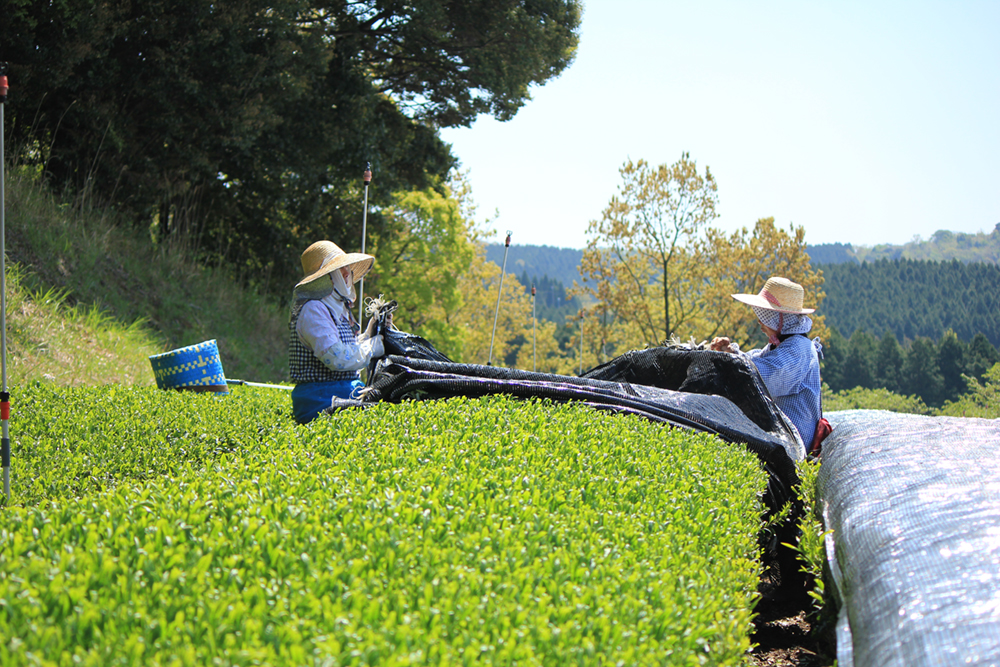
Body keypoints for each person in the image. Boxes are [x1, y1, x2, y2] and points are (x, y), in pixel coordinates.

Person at [709, 276, 822, 446]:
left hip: (794, 442)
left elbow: (764, 375)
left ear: (779, 318)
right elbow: (757, 358)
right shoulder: (783, 344)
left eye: (765, 316)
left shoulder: (798, 349)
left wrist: (733, 362)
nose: (760, 322)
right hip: (781, 436)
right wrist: (732, 352)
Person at [288, 240, 388, 423]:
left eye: (346, 267)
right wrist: (373, 347)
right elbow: (337, 358)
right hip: (318, 399)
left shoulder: (338, 308)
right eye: (337, 269)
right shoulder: (313, 309)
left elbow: (349, 349)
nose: (346, 272)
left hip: (344, 391)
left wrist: (370, 332)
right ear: (325, 277)